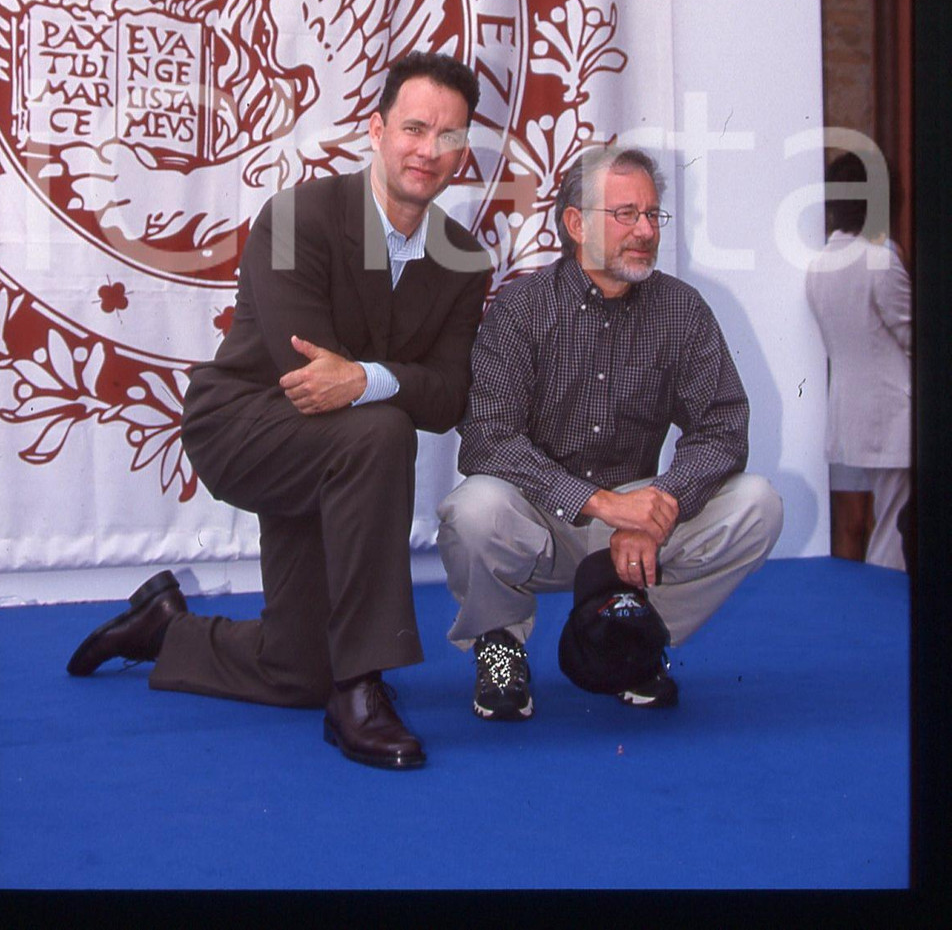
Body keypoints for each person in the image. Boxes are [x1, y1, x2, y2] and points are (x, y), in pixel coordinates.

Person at [67, 52, 492, 769]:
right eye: (414, 127)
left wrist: (363, 377)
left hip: (341, 455)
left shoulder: (464, 259)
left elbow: (450, 396)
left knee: (298, 671)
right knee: (384, 425)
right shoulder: (299, 215)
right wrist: (387, 382)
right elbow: (305, 376)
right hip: (243, 425)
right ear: (377, 129)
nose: (428, 149)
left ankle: (165, 628)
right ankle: (361, 688)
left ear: (463, 152)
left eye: (448, 136)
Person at [437, 144, 783, 719]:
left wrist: (661, 506)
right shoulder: (521, 308)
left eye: (652, 215)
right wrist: (601, 506)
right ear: (575, 223)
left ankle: (631, 636)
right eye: (625, 214)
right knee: (474, 508)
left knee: (759, 504)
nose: (645, 230)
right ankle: (499, 646)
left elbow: (722, 425)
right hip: (547, 519)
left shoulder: (681, 308)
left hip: (642, 525)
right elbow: (487, 439)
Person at [804, 151, 911, 571]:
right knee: (892, 533)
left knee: (850, 532)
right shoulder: (881, 258)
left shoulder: (819, 264)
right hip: (892, 413)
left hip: (846, 413)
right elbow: (914, 336)